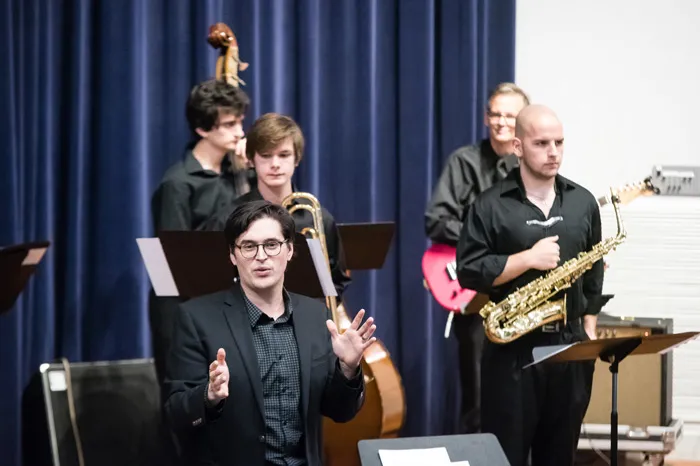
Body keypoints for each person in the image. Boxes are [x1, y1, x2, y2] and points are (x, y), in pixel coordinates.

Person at [163, 200, 375, 466]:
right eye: (249, 246)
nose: (261, 256)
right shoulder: (196, 318)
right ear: (232, 254)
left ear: (289, 250)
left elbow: (340, 412)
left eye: (272, 245)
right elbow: (175, 414)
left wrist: (348, 368)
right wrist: (210, 396)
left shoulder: (315, 315)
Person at [456, 104, 603, 466]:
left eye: (559, 142)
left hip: (568, 349)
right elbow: (469, 270)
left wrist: (588, 328)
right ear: (519, 147)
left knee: (561, 455)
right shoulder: (489, 206)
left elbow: (595, 267)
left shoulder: (583, 202)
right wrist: (526, 259)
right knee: (505, 457)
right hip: (512, 354)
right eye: (541, 143)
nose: (553, 152)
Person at [424, 82, 530, 434]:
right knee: (479, 399)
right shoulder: (463, 161)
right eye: (495, 114)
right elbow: (436, 221)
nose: (501, 122)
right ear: (486, 118)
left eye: (510, 115)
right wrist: (483, 239)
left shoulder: (533, 168)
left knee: (524, 396)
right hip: (477, 295)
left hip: (523, 296)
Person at [202, 112, 351, 299]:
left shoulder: (316, 216)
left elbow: (336, 280)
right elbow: (212, 283)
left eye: (284, 155)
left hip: (305, 322)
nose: (275, 164)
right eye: (265, 156)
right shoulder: (227, 218)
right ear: (251, 159)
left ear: (296, 159)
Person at [151, 78, 252, 233]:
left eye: (240, 123)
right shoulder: (177, 184)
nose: (240, 133)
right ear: (202, 129)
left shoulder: (244, 170)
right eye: (229, 124)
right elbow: (171, 252)